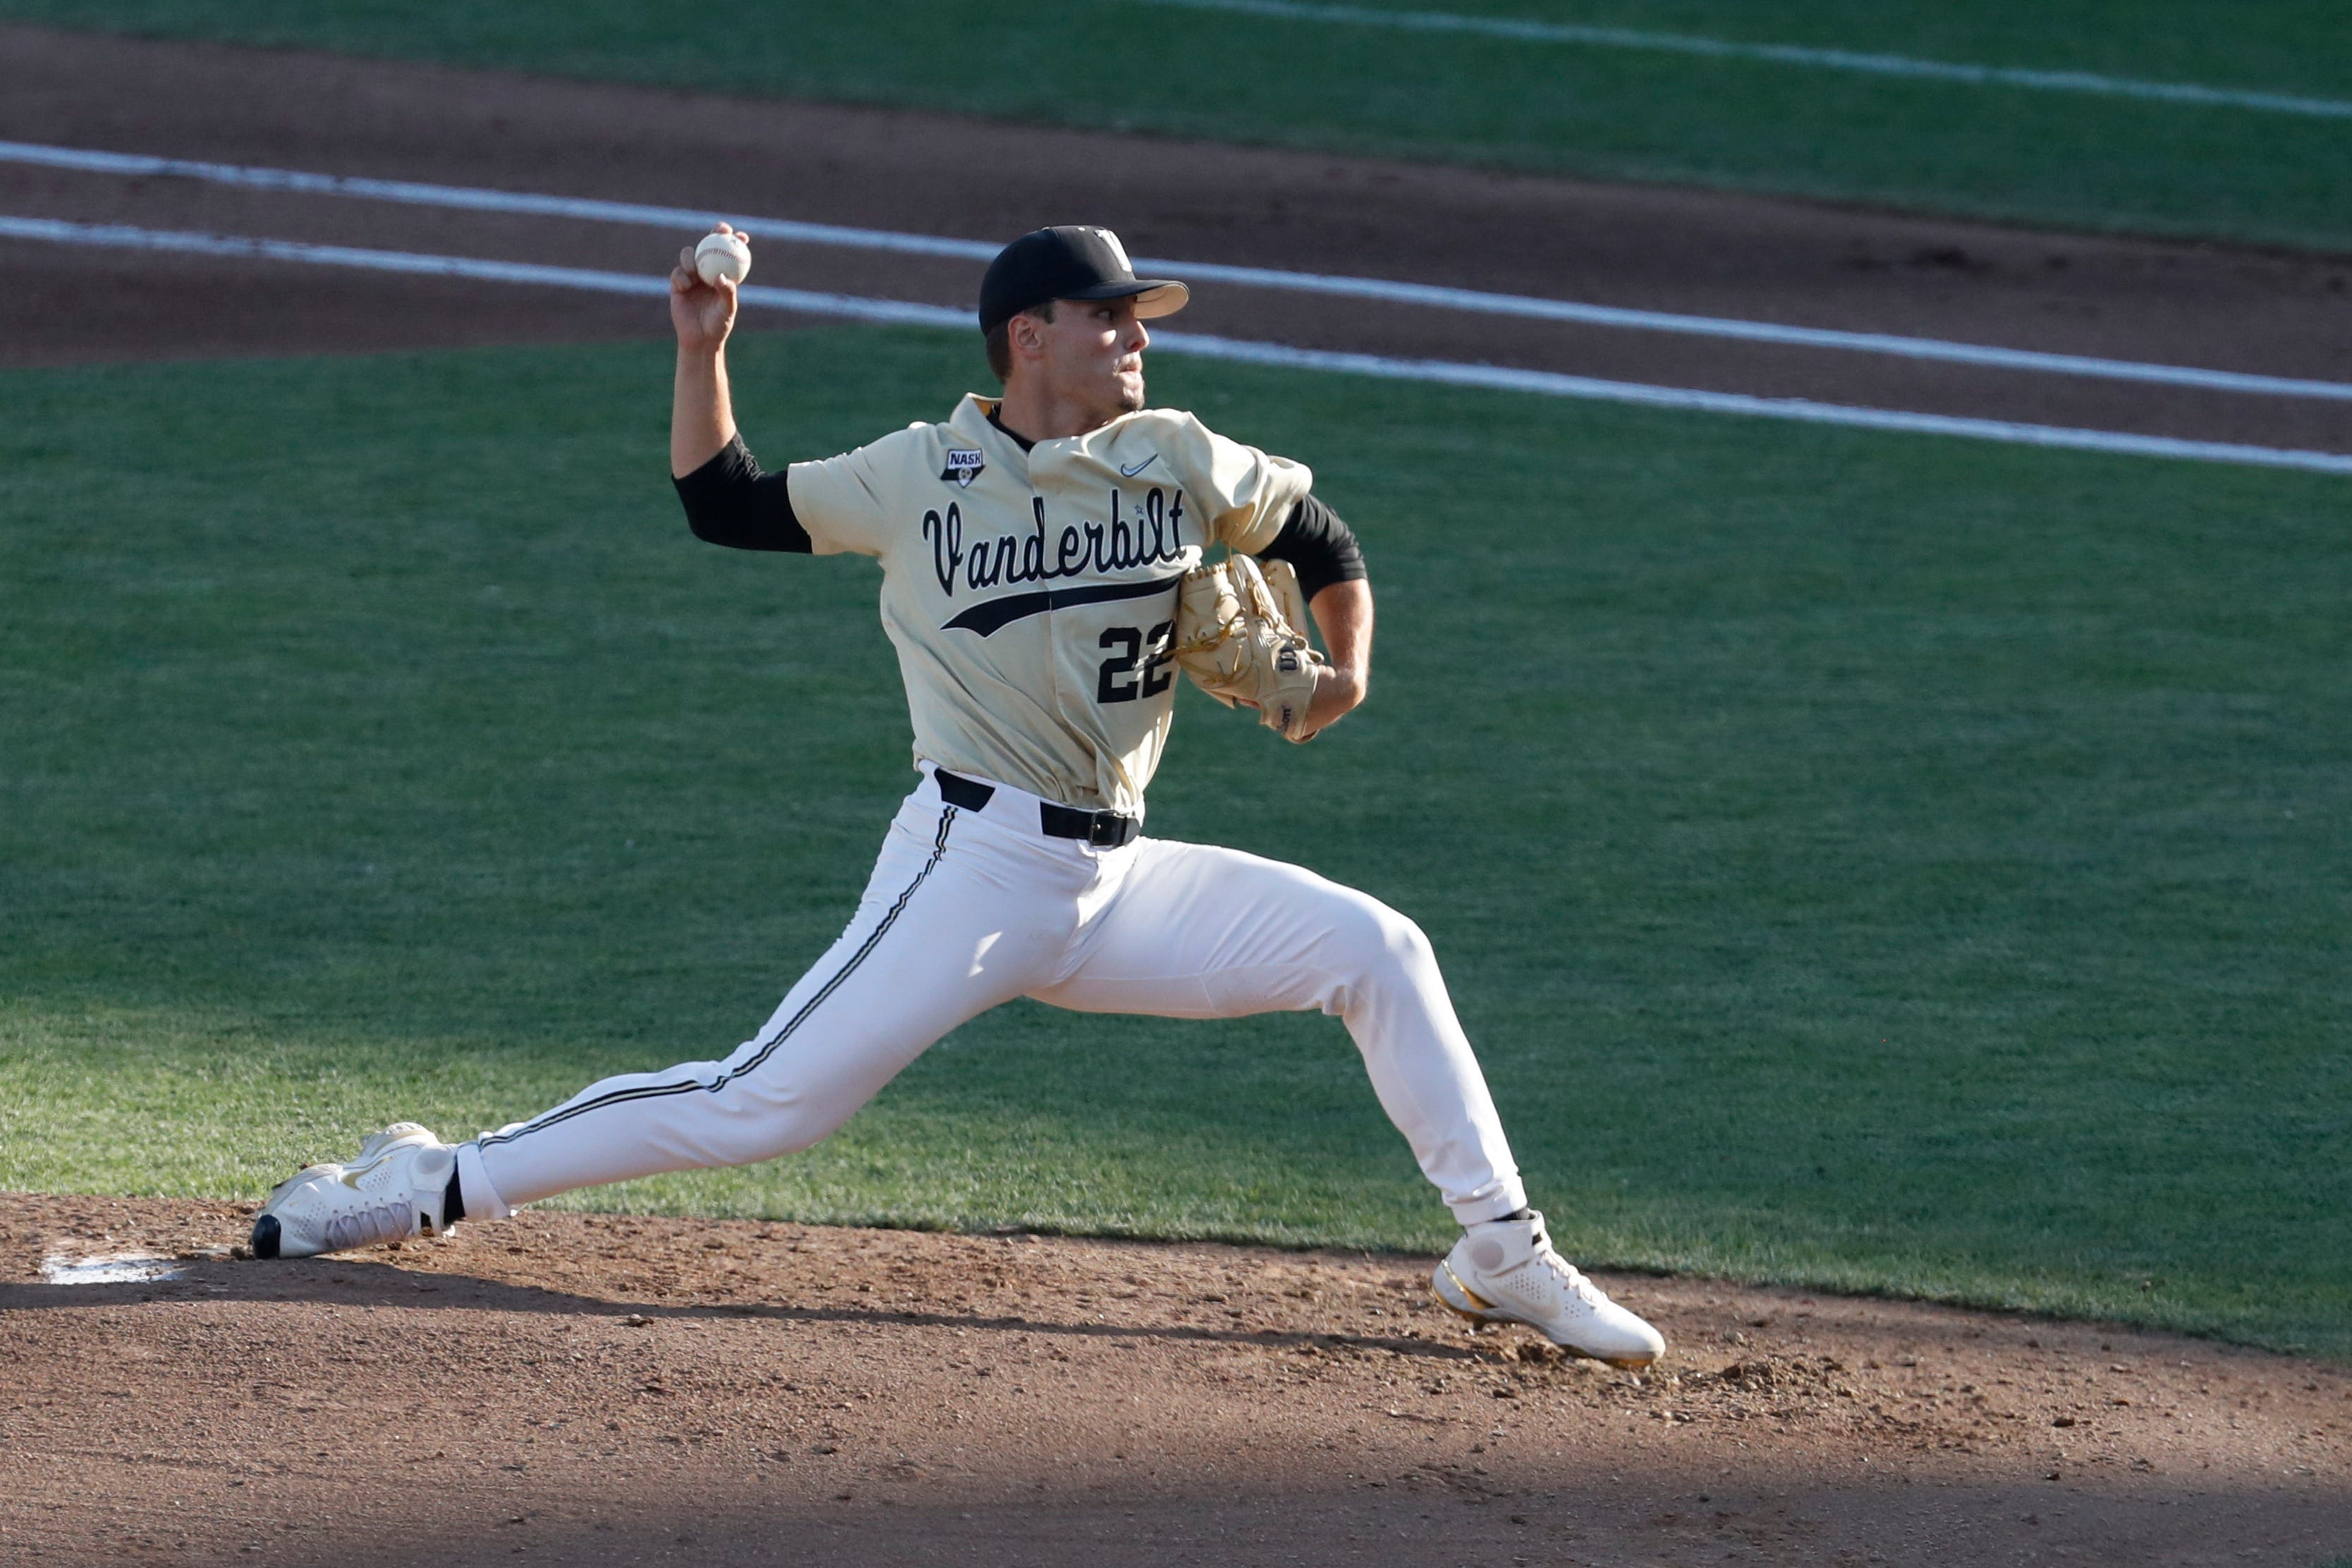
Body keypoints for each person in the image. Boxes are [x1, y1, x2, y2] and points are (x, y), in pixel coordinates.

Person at [250, 224, 1664, 1368]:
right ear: (1029, 337)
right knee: (764, 1103)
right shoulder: (917, 477)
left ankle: (1499, 1248)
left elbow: (1317, 529)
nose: (1139, 336)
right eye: (1111, 317)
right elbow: (722, 499)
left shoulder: (1174, 456)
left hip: (1117, 885)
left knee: (1377, 947)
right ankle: (422, 1178)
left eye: (1141, 317)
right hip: (969, 869)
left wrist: (1342, 668)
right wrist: (703, 352)